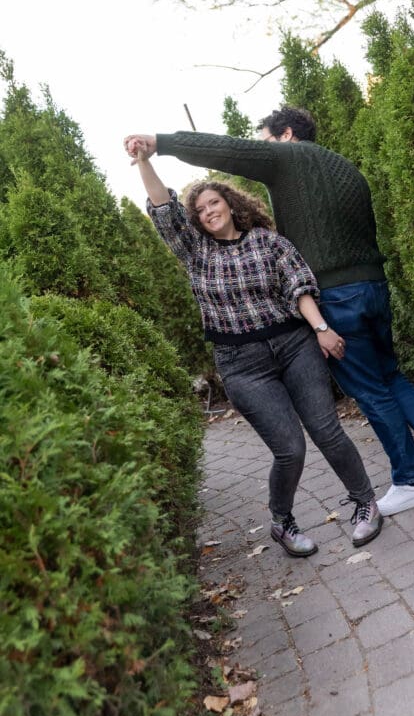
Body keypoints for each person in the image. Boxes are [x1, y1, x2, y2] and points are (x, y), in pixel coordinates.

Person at [124, 107, 414, 517]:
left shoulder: (287, 158)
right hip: (372, 287)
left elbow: (226, 150)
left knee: (370, 389)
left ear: (286, 135)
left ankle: (410, 480)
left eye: (267, 140)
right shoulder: (343, 166)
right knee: (389, 374)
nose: (264, 149)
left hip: (336, 297)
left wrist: (159, 144)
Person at [125, 136, 383, 556]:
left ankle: (365, 503)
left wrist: (320, 329)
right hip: (242, 364)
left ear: (229, 203)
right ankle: (283, 522)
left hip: (294, 345)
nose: (208, 212)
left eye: (213, 203)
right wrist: (143, 160)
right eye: (200, 209)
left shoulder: (269, 242)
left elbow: (299, 285)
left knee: (326, 430)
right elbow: (163, 210)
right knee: (290, 448)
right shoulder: (195, 251)